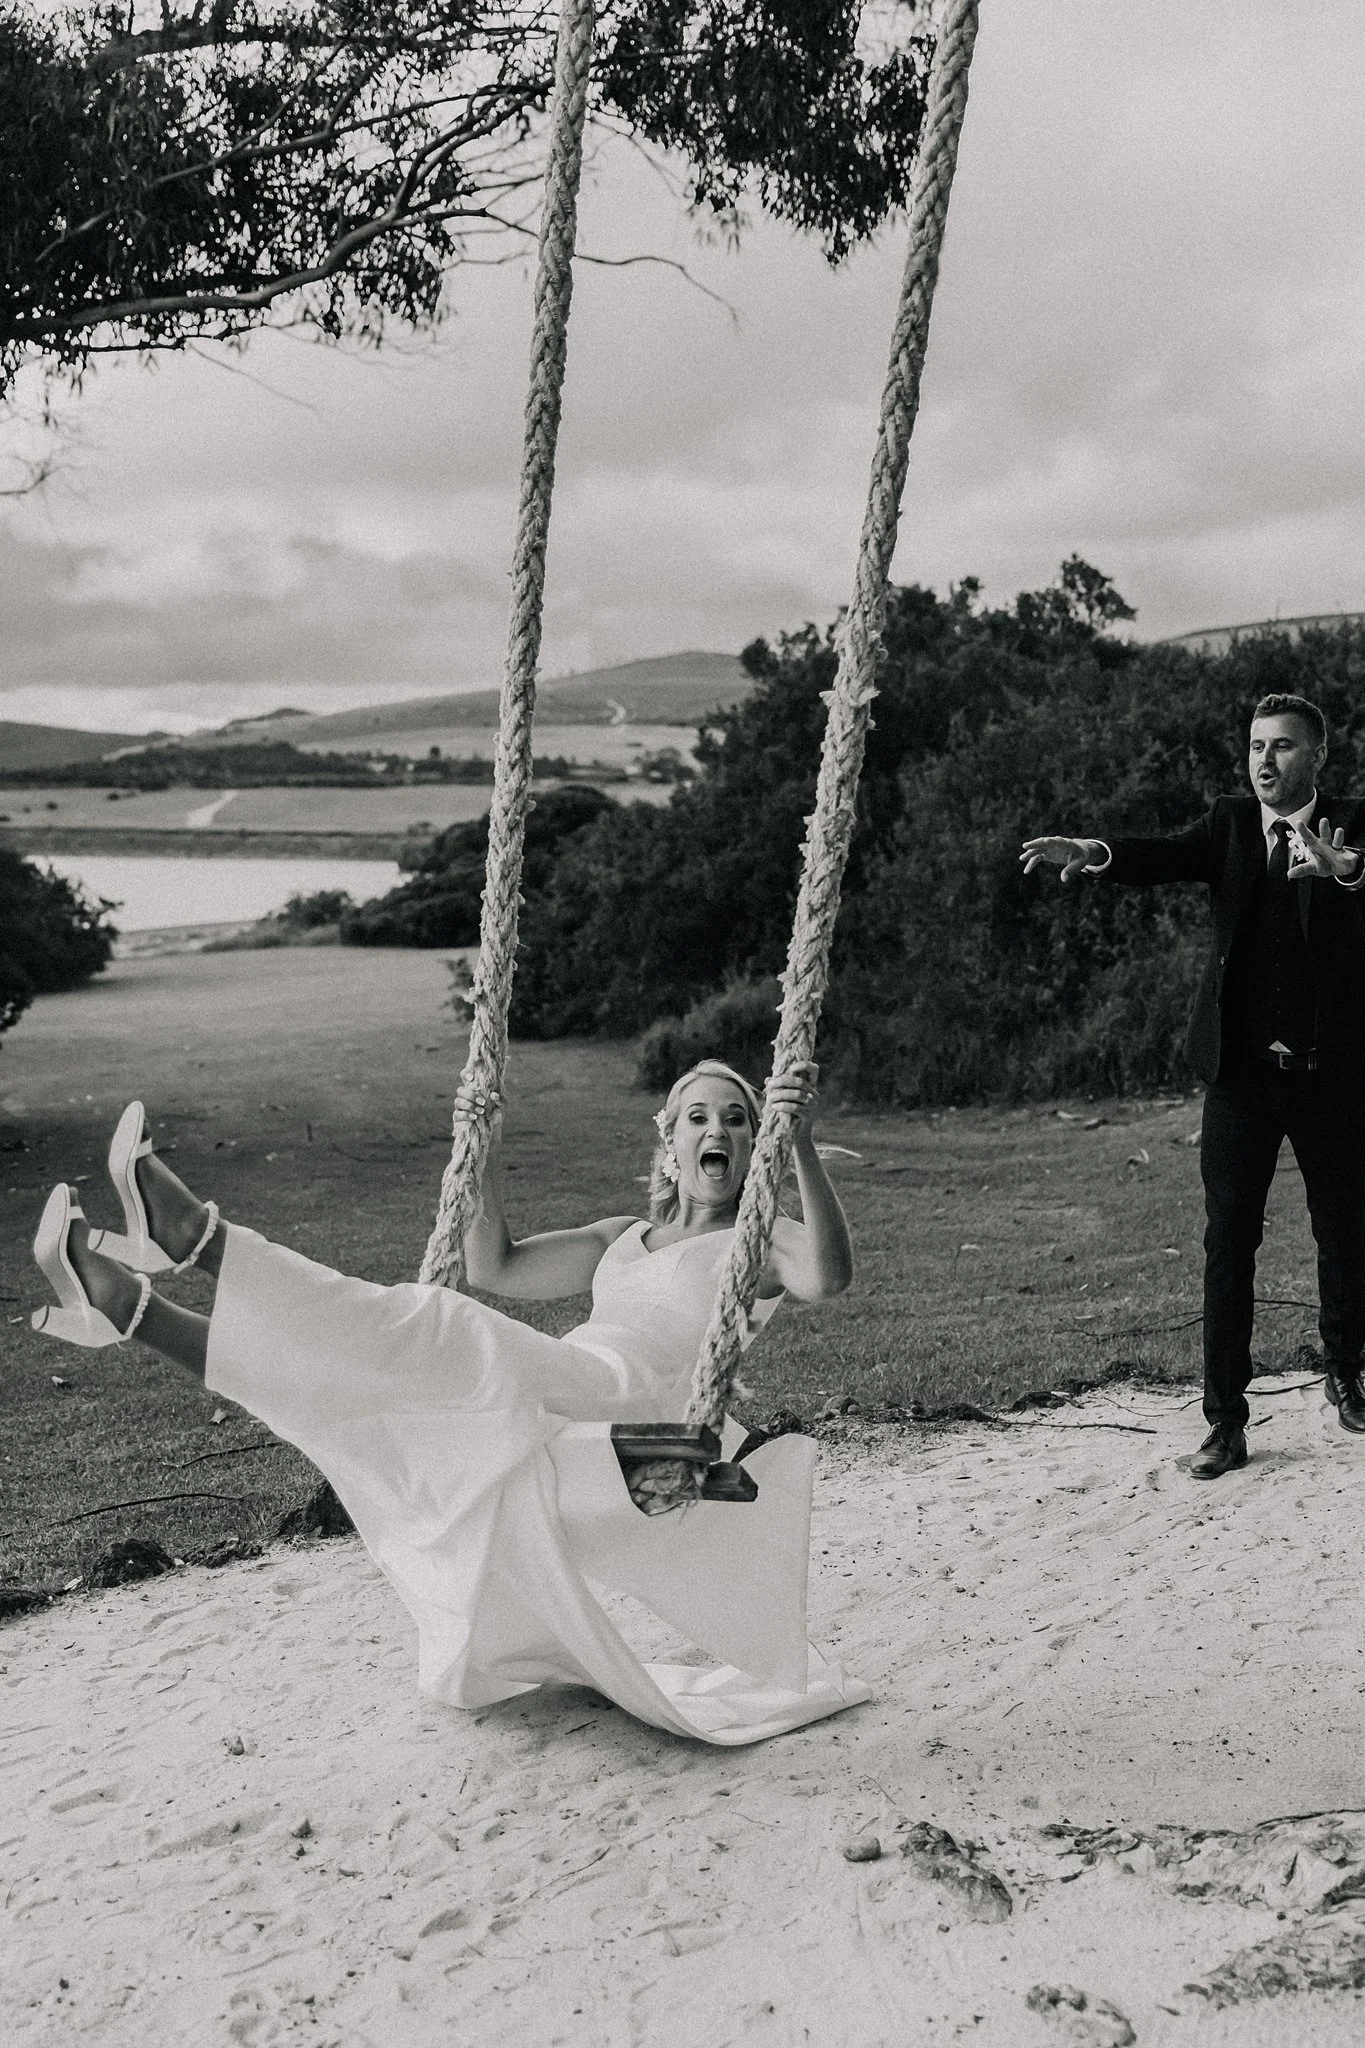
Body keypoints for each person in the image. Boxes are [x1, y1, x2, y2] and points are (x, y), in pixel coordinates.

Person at [30, 1059, 869, 1744]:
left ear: (754, 1143)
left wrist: (794, 1152)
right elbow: (495, 1266)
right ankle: (134, 1309)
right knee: (373, 1409)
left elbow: (827, 1278)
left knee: (437, 1327)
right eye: (696, 1116)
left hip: (651, 1424)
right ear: (668, 1144)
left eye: (735, 1117)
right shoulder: (623, 1238)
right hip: (566, 1396)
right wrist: (485, 1151)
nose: (715, 1129)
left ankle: (198, 1239)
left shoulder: (758, 1241)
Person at [1021, 692, 1365, 1479]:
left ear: (1315, 757)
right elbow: (1159, 855)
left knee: (1343, 1231)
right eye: (1253, 746)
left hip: (1330, 1079)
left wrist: (1346, 872)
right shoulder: (1229, 824)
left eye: (1281, 747)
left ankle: (1345, 1373)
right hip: (1241, 1080)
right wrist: (1095, 850)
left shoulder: (1354, 821)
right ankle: (1224, 1423)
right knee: (1226, 1247)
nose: (1264, 761)